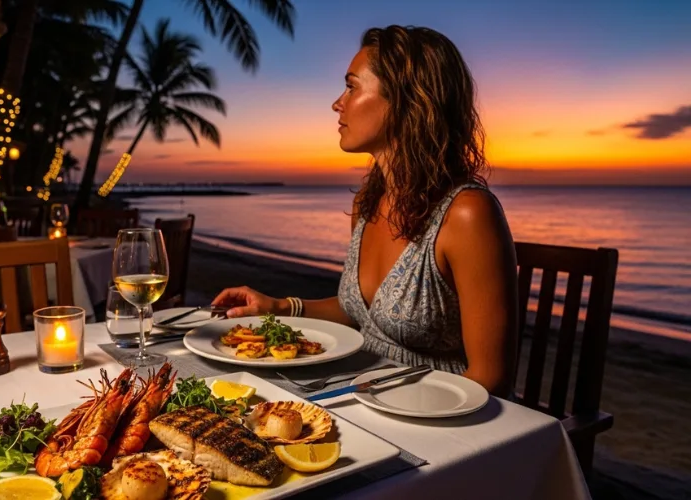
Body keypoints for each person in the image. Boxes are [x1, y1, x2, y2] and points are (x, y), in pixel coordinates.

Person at [212, 25, 518, 398]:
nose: (337, 103)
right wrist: (277, 306)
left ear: (406, 100)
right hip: (361, 391)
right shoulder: (369, 202)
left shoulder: (467, 213)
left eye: (352, 87)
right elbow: (360, 313)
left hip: (439, 409)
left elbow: (491, 378)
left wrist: (397, 407)